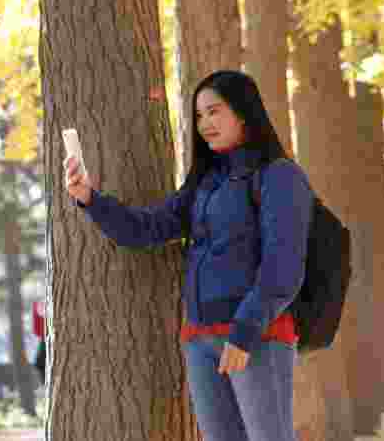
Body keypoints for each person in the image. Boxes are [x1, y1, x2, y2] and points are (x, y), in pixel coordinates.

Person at [64, 70, 312, 441]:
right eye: (198, 116)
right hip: (201, 340)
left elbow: (284, 268)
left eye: (214, 112)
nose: (205, 123)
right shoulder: (204, 184)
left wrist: (244, 332)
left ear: (243, 112)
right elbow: (144, 229)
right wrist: (89, 198)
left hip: (257, 337)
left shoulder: (278, 176)